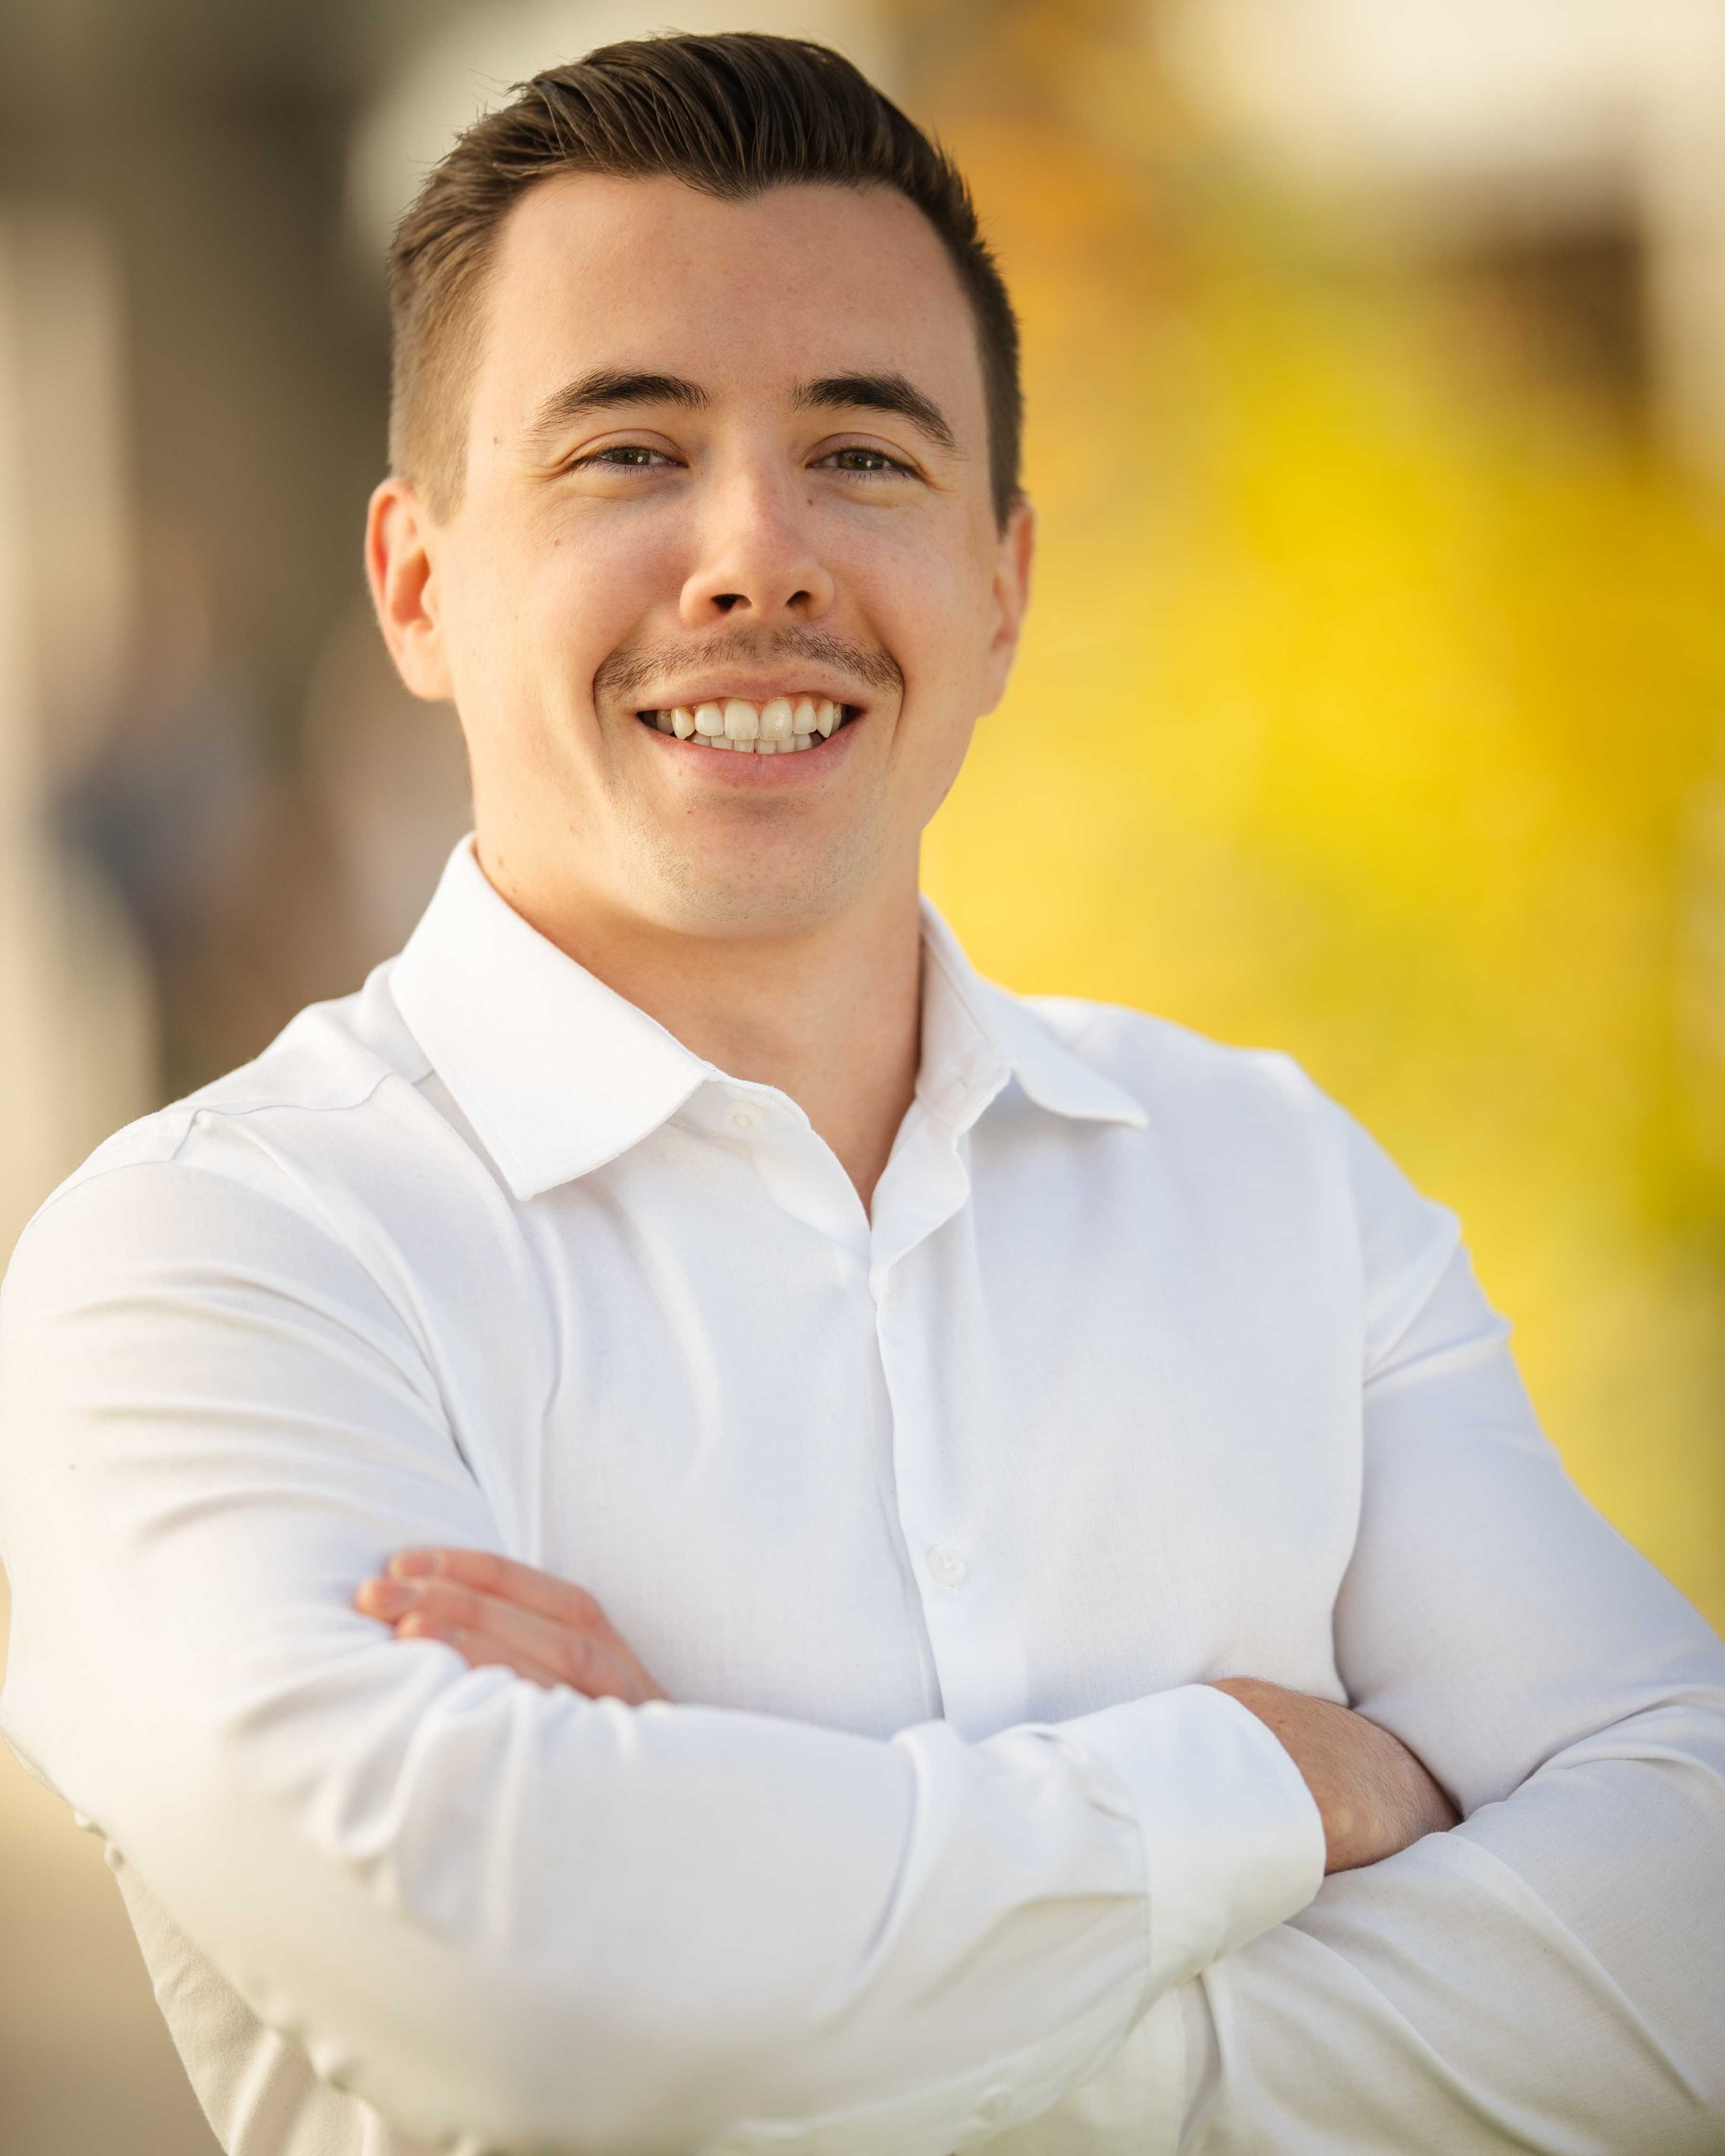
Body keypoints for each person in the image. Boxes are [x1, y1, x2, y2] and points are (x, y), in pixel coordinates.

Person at [1, 33, 1721, 2156]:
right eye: (628, 454)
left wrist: (771, 1966)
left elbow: (1689, 1947)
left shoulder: (1274, 1181)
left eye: (864, 455)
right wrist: (1280, 1781)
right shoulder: (211, 1262)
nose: (756, 557)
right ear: (418, 583)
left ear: (1000, 589)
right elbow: (522, 2008)